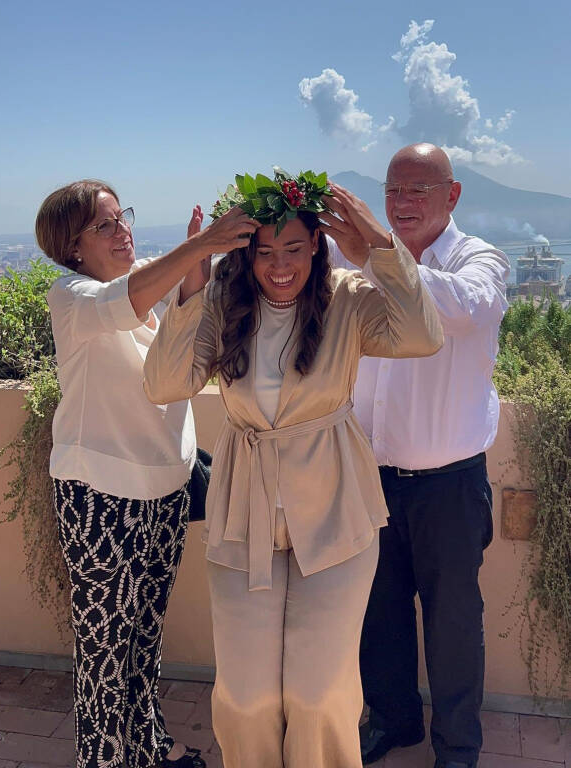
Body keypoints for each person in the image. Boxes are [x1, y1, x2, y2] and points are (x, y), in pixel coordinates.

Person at [143, 168, 444, 768]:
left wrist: (380, 247)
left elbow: (422, 336)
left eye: (294, 249)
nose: (280, 266)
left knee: (318, 693)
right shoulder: (224, 306)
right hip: (243, 518)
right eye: (263, 252)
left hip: (335, 511)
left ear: (316, 247)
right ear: (245, 255)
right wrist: (195, 275)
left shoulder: (347, 300)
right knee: (247, 696)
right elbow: (164, 383)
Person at [36, 179, 257, 768]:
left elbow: (182, 326)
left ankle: (150, 748)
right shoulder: (74, 297)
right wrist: (202, 242)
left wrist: (198, 259)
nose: (122, 230)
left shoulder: (145, 308)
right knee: (104, 653)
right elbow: (128, 298)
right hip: (101, 501)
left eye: (122, 217)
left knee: (141, 643)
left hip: (163, 496)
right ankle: (105, 760)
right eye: (104, 225)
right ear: (72, 246)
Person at [329, 143, 510, 768]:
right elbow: (289, 267)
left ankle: (458, 748)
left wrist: (379, 254)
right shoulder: (360, 256)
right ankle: (394, 720)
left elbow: (461, 310)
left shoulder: (479, 259)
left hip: (449, 486)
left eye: (418, 190)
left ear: (452, 195)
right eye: (392, 190)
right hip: (371, 476)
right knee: (378, 613)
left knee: (454, 622)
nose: (402, 203)